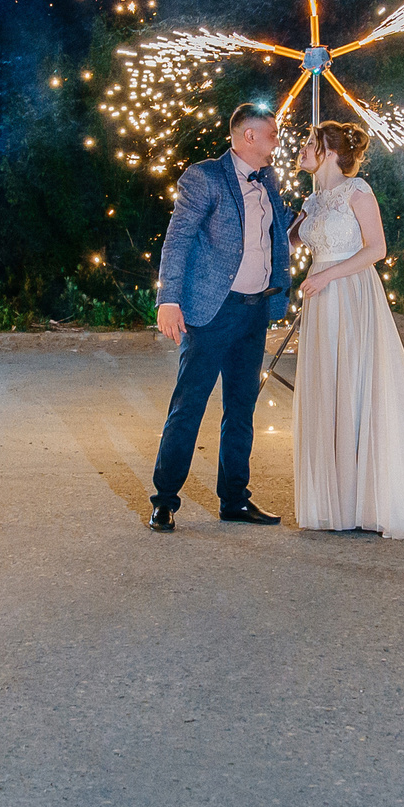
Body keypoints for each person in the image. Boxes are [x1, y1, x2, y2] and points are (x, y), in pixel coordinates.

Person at [291, 121, 404, 538]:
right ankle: (339, 501)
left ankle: (369, 499)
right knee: (328, 388)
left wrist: (328, 276)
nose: (300, 148)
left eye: (309, 143)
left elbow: (377, 248)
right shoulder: (313, 200)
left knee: (355, 384)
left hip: (349, 292)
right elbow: (289, 241)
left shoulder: (358, 191)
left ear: (330, 152)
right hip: (320, 299)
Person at [148, 103, 292, 532]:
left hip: (255, 311)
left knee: (241, 409)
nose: (278, 141)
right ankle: (164, 501)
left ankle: (234, 500)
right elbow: (177, 240)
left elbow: (274, 239)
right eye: (272, 134)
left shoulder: (269, 181)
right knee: (189, 405)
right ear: (249, 136)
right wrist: (168, 299)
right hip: (211, 312)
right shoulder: (205, 176)